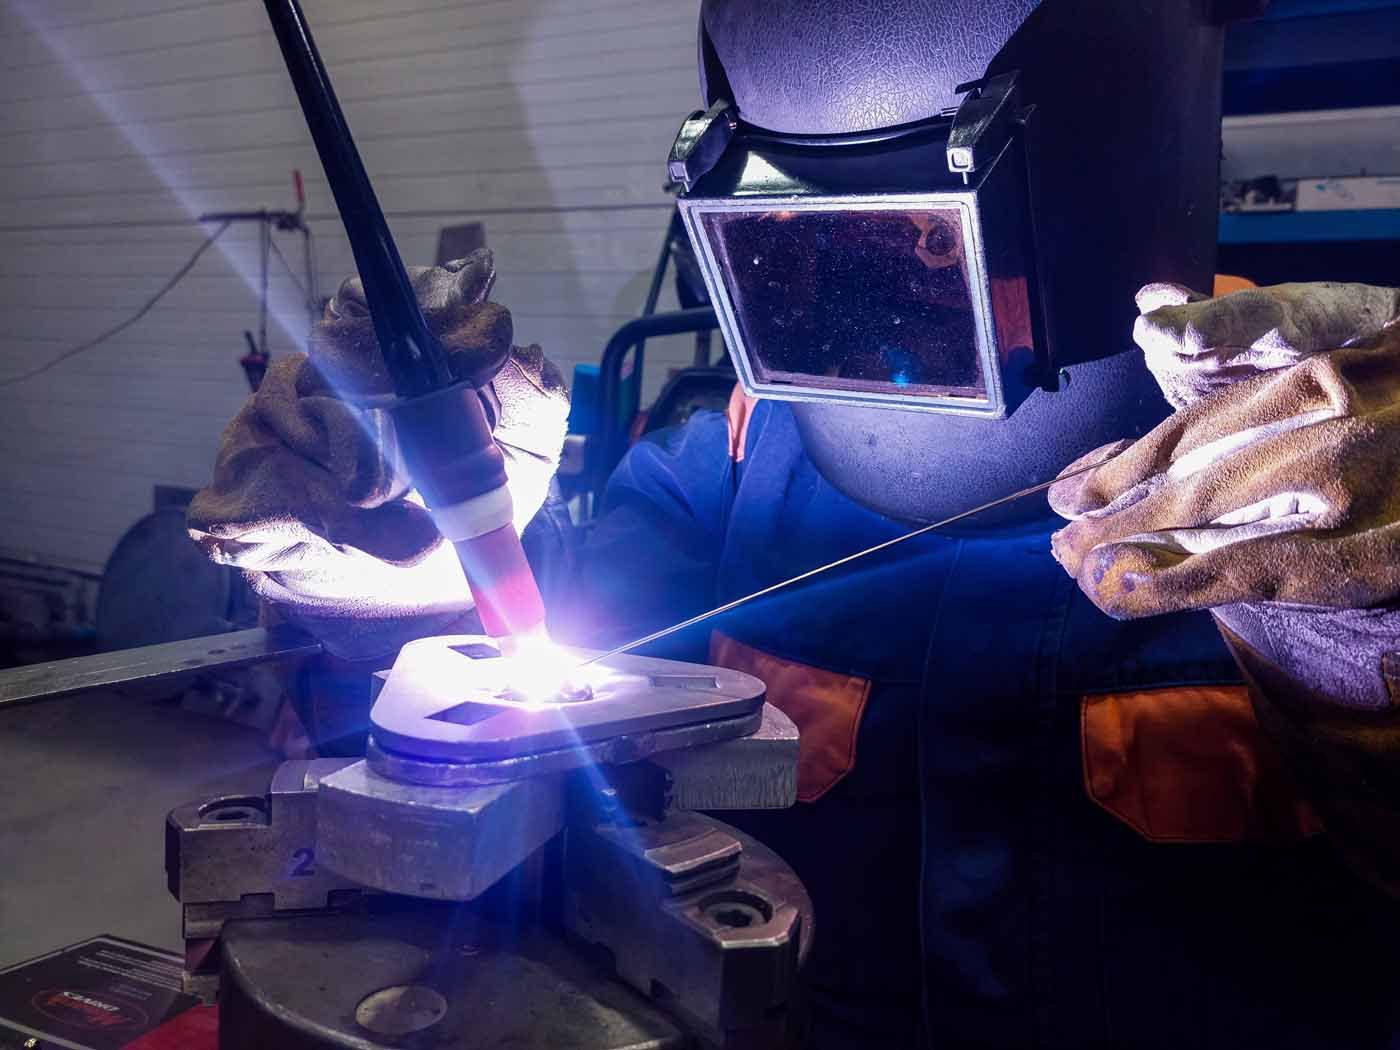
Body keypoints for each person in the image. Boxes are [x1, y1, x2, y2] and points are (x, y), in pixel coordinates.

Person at [188, 1, 1400, 1045]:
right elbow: (525, 713)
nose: (890, 313)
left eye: (929, 249)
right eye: (824, 259)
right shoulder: (713, 478)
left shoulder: (1337, 478)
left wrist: (1373, 640)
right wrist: (399, 585)